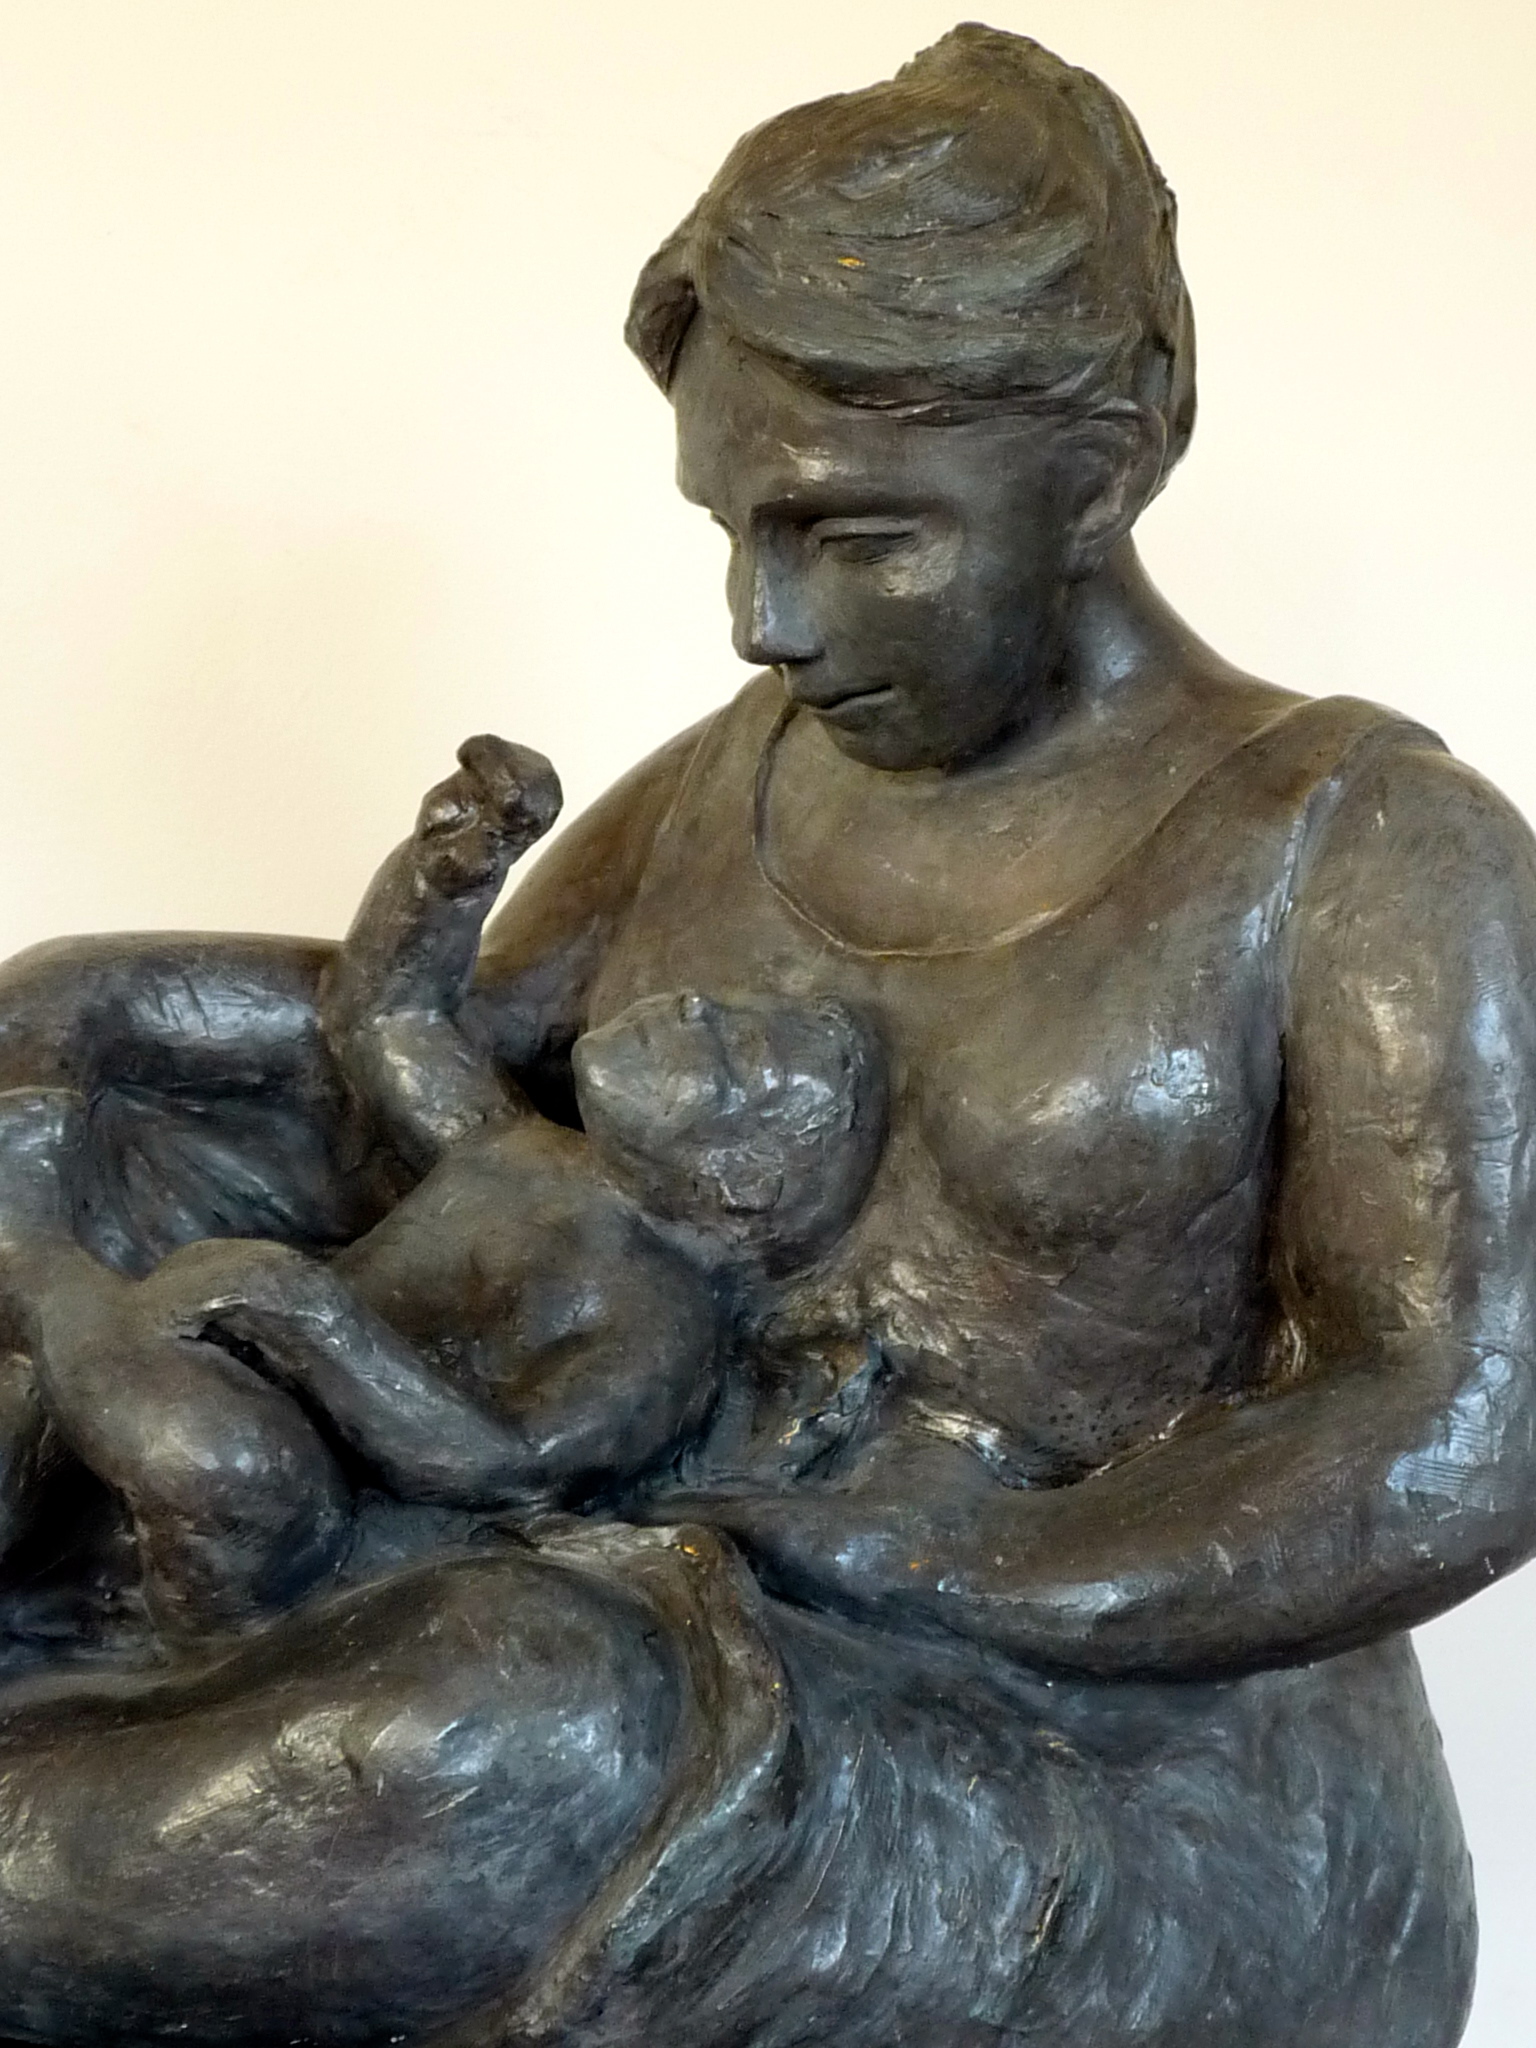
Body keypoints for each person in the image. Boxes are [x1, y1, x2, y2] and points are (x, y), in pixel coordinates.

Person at [0, 24, 1526, 2047]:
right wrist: (83, 1029)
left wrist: (974, 1567)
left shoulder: (1359, 844)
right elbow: (443, 1091)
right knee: (102, 1158)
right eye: (734, 530)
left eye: (858, 538)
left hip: (1110, 1765)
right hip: (646, 1565)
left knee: (504, 1723)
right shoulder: (743, 776)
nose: (764, 620)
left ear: (1111, 461)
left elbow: (1457, 1418)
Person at [0, 734, 886, 1641]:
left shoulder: (661, 1320)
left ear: (740, 1184)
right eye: (721, 1009)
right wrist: (445, 878)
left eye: (730, 1054)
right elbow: (390, 1018)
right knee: (45, 1405)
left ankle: (34, 1269)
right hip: (171, 1367)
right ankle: (49, 1323)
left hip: (277, 1489)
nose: (694, 1006)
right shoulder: (519, 1149)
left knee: (218, 1460)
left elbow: (512, 1460)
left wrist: (315, 1317)